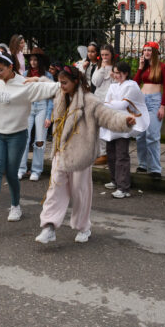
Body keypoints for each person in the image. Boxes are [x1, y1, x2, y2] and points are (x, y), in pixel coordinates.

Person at [35, 65, 136, 244]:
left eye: (65, 83)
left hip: (81, 155)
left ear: (75, 81)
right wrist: (30, 80)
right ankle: (49, 227)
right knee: (54, 190)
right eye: (59, 82)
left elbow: (108, 116)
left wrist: (125, 121)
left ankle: (83, 227)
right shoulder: (59, 94)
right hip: (61, 152)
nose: (61, 86)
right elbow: (45, 86)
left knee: (80, 193)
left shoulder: (90, 101)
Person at [0, 50, 61, 224]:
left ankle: (16, 206)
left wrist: (44, 79)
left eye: (0, 70)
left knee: (11, 173)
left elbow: (54, 88)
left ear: (10, 67)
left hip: (17, 135)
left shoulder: (24, 83)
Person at [102, 61, 149, 199]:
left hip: (124, 124)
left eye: (118, 73)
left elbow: (123, 105)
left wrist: (111, 103)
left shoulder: (132, 86)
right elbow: (106, 102)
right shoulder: (113, 86)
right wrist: (111, 104)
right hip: (112, 123)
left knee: (122, 155)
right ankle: (114, 180)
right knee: (111, 153)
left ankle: (123, 187)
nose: (116, 75)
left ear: (126, 73)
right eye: (115, 72)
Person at [134, 41, 165, 178]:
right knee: (140, 135)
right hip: (142, 101)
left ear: (154, 52)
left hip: (155, 102)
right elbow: (135, 84)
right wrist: (140, 68)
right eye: (144, 50)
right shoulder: (143, 68)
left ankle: (155, 168)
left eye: (149, 50)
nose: (146, 53)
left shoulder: (163, 67)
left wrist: (163, 106)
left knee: (152, 135)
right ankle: (143, 164)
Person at [18, 47, 53, 181]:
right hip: (28, 107)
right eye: (31, 60)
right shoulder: (25, 74)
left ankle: (36, 170)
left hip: (42, 107)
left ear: (40, 61)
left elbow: (51, 97)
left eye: (35, 60)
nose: (33, 62)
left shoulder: (47, 76)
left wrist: (49, 116)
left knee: (40, 140)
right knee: (24, 139)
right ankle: (21, 169)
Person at [91, 44, 116, 166]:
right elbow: (95, 82)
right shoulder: (99, 66)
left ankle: (107, 153)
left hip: (110, 102)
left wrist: (113, 76)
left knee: (107, 128)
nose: (104, 57)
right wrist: (102, 68)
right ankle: (100, 153)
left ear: (111, 55)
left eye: (107, 55)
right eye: (102, 55)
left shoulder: (116, 67)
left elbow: (118, 85)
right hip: (98, 100)